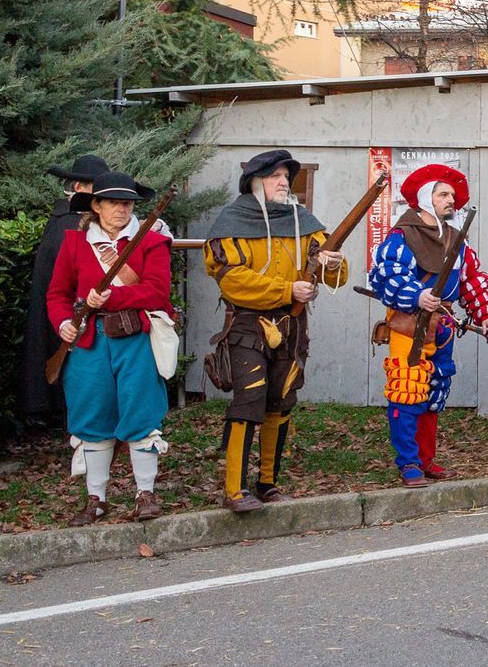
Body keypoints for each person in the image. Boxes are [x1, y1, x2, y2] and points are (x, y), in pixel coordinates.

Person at [203, 150, 349, 509]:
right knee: (249, 400)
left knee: (281, 402)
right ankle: (234, 490)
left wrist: (332, 264)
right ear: (256, 183)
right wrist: (286, 290)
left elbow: (333, 275)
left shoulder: (304, 221)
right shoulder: (232, 222)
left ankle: (268, 483)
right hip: (247, 324)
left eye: (286, 176)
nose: (284, 182)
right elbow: (231, 279)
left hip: (293, 325)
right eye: (275, 177)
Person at [46, 172, 177, 525]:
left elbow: (157, 292)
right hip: (89, 341)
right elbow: (57, 294)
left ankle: (145, 493)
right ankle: (96, 498)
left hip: (134, 338)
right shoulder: (75, 243)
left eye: (128, 203)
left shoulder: (151, 241)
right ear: (96, 205)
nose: (122, 209)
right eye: (114, 202)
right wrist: (64, 323)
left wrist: (111, 297)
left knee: (141, 412)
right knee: (91, 416)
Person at [370, 165, 488, 485]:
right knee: (407, 389)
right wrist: (417, 295)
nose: (450, 200)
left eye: (452, 195)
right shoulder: (402, 235)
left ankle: (426, 459)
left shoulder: (456, 239)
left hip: (442, 327)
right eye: (443, 194)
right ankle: (408, 463)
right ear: (426, 198)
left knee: (433, 391)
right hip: (409, 324)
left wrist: (486, 313)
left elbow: (472, 279)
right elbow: (387, 273)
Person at [18, 154, 106, 425]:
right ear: (79, 188)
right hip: (68, 317)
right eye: (97, 189)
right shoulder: (70, 225)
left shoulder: (68, 221)